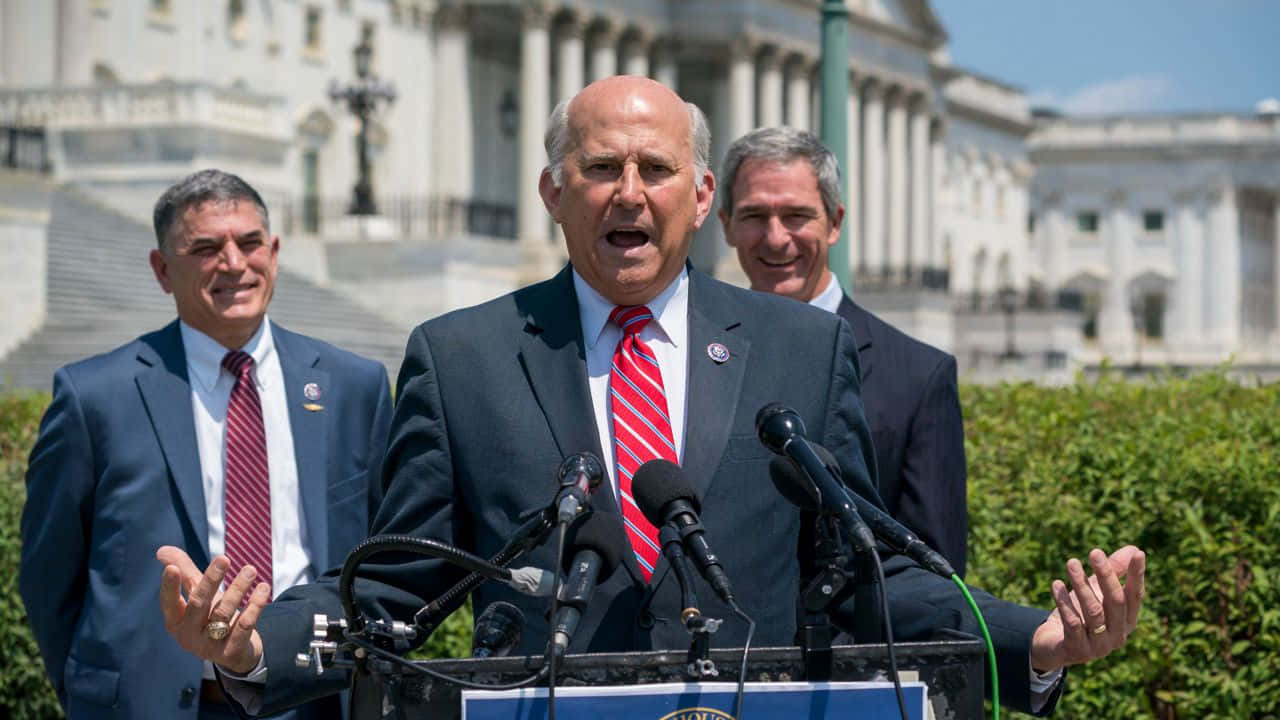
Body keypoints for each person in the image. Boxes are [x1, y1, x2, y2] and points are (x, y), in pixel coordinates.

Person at [156, 78, 1144, 717]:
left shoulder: (802, 349)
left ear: (699, 194)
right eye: (598, 169)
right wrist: (254, 645)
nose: (627, 192)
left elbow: (871, 574)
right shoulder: (461, 358)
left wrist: (1031, 642)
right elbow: (388, 594)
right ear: (553, 193)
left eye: (654, 169)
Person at [20, 169, 393, 720]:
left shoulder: (353, 386)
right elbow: (49, 576)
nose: (234, 263)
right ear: (161, 269)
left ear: (274, 251)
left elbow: (382, 559)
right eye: (205, 247)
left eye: (249, 243)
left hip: (312, 701)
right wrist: (88, 690)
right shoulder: (94, 396)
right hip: (153, 705)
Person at [719, 126, 967, 576]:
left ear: (834, 223)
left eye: (797, 215)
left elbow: (936, 571)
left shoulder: (918, 377)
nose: (775, 239)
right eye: (755, 216)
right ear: (726, 225)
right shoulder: (697, 357)